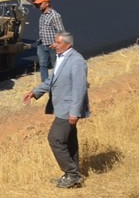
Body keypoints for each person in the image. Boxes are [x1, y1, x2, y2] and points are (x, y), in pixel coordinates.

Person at [24, 31, 90, 188]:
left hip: (68, 109)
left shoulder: (77, 61)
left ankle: (71, 174)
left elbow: (79, 89)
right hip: (62, 106)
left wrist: (75, 112)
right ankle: (74, 175)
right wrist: (35, 92)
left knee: (55, 139)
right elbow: (51, 81)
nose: (54, 45)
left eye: (58, 43)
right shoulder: (61, 58)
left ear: (68, 44)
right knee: (69, 141)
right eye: (55, 42)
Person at [33, 0, 65, 83]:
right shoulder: (43, 13)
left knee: (56, 65)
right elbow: (36, 5)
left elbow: (61, 32)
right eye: (37, 4)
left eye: (40, 3)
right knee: (43, 65)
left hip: (52, 46)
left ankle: (57, 83)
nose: (38, 5)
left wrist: (57, 44)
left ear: (46, 3)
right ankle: (45, 84)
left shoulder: (55, 16)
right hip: (42, 44)